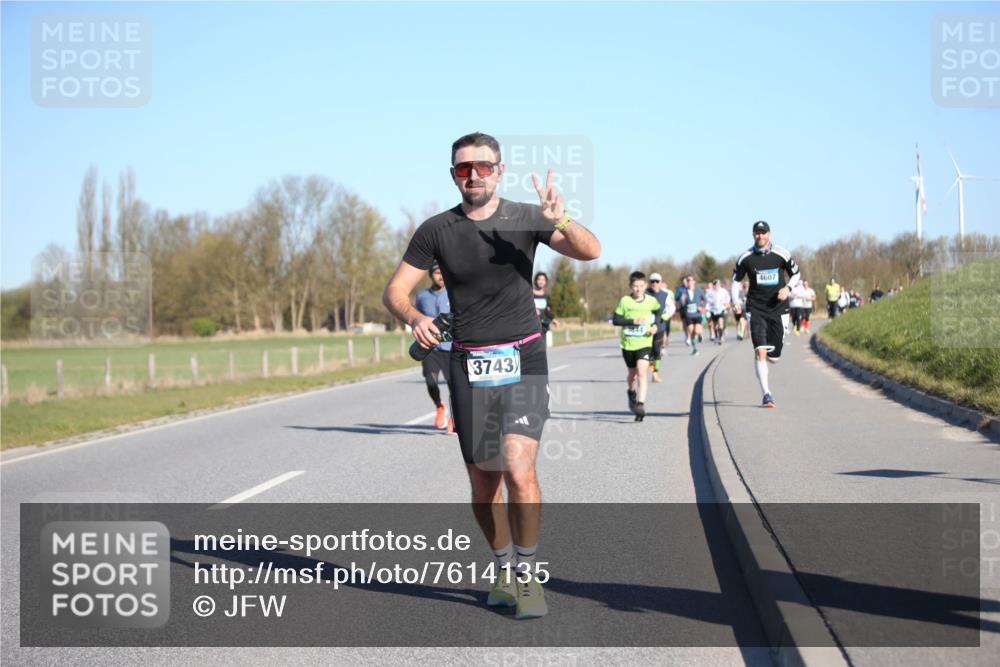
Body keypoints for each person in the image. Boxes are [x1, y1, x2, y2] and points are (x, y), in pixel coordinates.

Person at [383, 132, 600, 620]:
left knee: (520, 470)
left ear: (499, 170)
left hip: (523, 359)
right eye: (464, 168)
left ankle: (526, 575)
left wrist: (560, 217)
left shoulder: (528, 217)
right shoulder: (436, 230)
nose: (474, 174)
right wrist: (414, 318)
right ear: (453, 174)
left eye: (483, 166)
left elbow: (591, 250)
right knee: (485, 487)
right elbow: (395, 289)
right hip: (468, 365)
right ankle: (502, 565)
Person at [732, 220, 800, 408]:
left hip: (778, 308)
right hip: (756, 308)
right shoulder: (746, 258)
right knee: (760, 351)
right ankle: (767, 394)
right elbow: (735, 281)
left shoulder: (781, 254)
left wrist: (788, 288)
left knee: (775, 357)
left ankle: (772, 353)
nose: (760, 236)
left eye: (763, 232)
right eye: (757, 233)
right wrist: (736, 301)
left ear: (769, 234)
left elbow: (796, 274)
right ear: (753, 235)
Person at [614, 271, 661, 420]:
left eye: (641, 286)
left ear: (646, 286)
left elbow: (658, 312)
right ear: (630, 286)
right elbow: (616, 320)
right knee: (632, 374)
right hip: (628, 344)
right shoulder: (625, 301)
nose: (638, 289)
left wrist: (655, 325)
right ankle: (630, 392)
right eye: (635, 286)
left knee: (642, 372)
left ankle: (640, 405)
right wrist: (632, 322)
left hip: (644, 342)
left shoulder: (651, 301)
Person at [414, 262, 455, 433]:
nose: (441, 276)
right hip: (430, 348)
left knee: (455, 386)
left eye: (443, 273)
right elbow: (416, 319)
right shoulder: (422, 296)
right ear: (431, 275)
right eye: (437, 273)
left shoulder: (454, 293)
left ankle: (454, 417)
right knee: (431, 381)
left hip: (451, 347)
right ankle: (439, 406)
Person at [645, 272, 674, 383]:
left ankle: (655, 372)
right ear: (649, 283)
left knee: (656, 351)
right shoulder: (645, 293)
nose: (655, 283)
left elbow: (672, 307)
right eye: (652, 281)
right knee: (647, 351)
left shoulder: (665, 295)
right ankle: (648, 370)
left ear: (661, 283)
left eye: (657, 281)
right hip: (646, 327)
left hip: (660, 326)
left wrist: (667, 315)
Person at [677, 275, 706, 355]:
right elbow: (682, 304)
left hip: (697, 314)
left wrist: (702, 307)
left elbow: (705, 299)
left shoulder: (698, 290)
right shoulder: (684, 292)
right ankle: (695, 349)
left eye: (690, 280)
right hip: (689, 314)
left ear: (694, 281)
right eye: (688, 280)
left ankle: (699, 333)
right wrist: (682, 300)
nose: (689, 282)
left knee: (696, 330)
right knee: (691, 330)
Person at [532, 272, 560, 339]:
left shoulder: (546, 297)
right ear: (536, 280)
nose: (541, 281)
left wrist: (553, 320)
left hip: (543, 327)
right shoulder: (530, 294)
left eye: (543, 280)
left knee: (542, 348)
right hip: (531, 326)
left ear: (545, 282)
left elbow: (547, 312)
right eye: (539, 279)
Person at [705, 278, 731, 344]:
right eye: (715, 285)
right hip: (713, 310)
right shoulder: (709, 292)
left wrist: (726, 304)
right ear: (713, 285)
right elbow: (706, 301)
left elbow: (727, 299)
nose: (716, 286)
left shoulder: (723, 291)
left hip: (721, 310)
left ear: (719, 285)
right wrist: (711, 301)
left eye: (718, 285)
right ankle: (716, 336)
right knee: (715, 325)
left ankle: (721, 337)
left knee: (720, 322)